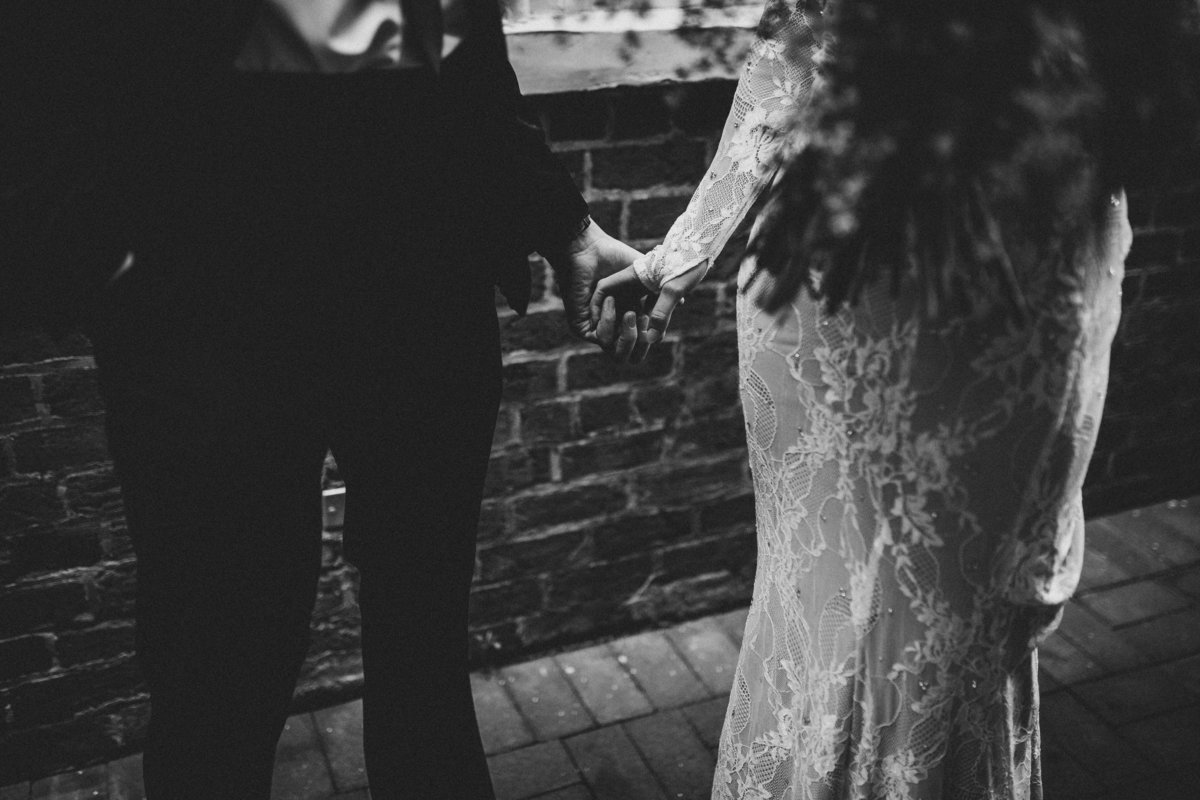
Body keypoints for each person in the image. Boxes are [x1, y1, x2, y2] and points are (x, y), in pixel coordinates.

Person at [3, 1, 640, 798]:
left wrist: (564, 223)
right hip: (207, 306)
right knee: (219, 668)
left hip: (420, 286)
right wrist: (110, 267)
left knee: (426, 650)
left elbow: (458, 48)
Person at [591, 0, 1197, 796]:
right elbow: (796, 55)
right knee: (834, 602)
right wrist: (682, 254)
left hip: (1013, 256)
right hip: (854, 271)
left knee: (958, 620)